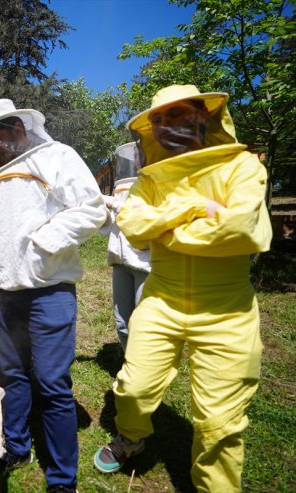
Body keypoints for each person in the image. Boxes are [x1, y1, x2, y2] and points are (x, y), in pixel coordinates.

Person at [92, 85, 272, 493]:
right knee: (133, 388)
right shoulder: (151, 179)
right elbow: (134, 230)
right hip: (161, 299)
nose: (164, 125)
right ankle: (132, 438)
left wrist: (165, 230)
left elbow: (243, 231)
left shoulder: (241, 166)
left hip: (227, 309)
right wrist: (191, 209)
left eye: (175, 115)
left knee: (219, 423)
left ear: (202, 116)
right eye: (158, 119)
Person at [0, 99, 107, 492]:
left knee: (52, 382)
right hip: (1, 294)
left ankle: (62, 480)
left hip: (48, 292)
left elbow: (91, 209)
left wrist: (41, 243)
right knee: (12, 376)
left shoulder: (58, 156)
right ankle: (17, 446)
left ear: (17, 128)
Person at [99, 142, 151, 352]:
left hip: (145, 262)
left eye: (141, 154)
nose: (136, 159)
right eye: (135, 155)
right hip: (120, 261)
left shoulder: (158, 183)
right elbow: (112, 224)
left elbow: (140, 215)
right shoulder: (123, 185)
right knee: (122, 321)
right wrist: (102, 211)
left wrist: (112, 202)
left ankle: (146, 371)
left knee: (144, 321)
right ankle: (130, 365)